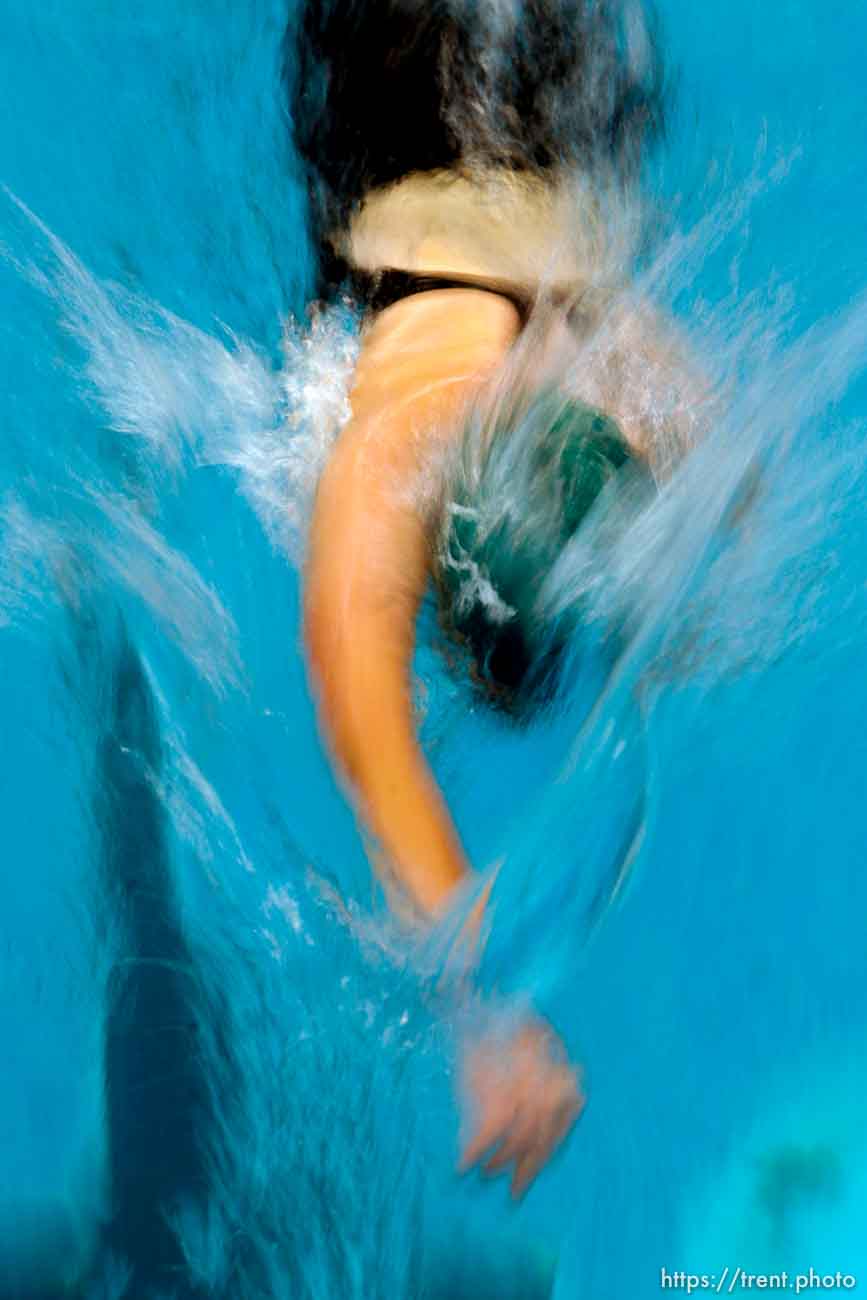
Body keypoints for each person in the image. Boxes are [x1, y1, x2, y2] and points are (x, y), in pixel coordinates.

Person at [286, 0, 693, 1197]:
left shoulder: (648, 394)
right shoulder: (415, 419)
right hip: (431, 132)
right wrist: (481, 1015)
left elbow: (365, 703)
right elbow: (353, 696)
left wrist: (486, 1018)